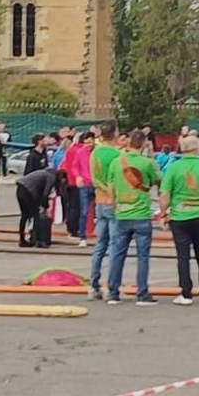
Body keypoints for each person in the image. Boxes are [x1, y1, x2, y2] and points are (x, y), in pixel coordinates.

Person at [162, 135, 199, 304]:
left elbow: (165, 194)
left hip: (179, 217)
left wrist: (163, 213)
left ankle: (186, 293)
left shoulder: (174, 168)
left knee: (183, 256)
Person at [104, 128, 162, 305]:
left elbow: (110, 188)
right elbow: (159, 180)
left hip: (122, 213)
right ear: (144, 143)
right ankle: (142, 293)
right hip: (142, 213)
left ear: (128, 142)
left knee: (117, 253)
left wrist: (114, 206)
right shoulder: (147, 163)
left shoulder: (116, 162)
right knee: (142, 256)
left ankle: (113, 292)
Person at [87, 124, 124, 300]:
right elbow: (120, 179)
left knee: (100, 244)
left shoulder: (95, 153)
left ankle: (94, 284)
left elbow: (94, 177)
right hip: (113, 201)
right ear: (115, 135)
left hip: (99, 200)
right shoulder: (117, 155)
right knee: (116, 246)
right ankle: (113, 287)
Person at [60, 126, 96, 244]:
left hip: (96, 184)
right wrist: (78, 177)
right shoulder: (79, 152)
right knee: (82, 210)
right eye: (85, 143)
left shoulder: (97, 152)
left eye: (90, 143)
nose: (88, 145)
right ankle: (81, 236)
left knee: (98, 211)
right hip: (84, 184)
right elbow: (74, 166)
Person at [16, 165, 59, 248]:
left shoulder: (43, 173)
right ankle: (36, 239)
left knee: (24, 215)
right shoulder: (52, 177)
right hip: (28, 191)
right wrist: (45, 206)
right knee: (35, 215)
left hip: (20, 188)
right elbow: (45, 193)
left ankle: (22, 239)